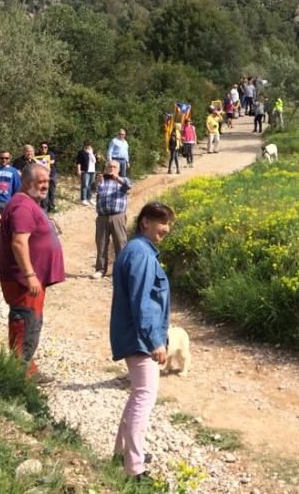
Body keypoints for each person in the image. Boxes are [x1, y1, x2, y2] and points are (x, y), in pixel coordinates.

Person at [110, 201, 176, 482]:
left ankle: (122, 453)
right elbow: (142, 302)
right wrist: (155, 341)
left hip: (136, 335)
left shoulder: (138, 250)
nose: (167, 229)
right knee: (145, 396)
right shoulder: (141, 254)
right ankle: (135, 469)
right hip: (140, 339)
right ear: (145, 222)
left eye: (169, 223)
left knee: (138, 393)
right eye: (162, 222)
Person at [0, 163, 65, 383]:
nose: (45, 185)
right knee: (26, 322)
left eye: (47, 181)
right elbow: (18, 242)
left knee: (28, 321)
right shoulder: (23, 206)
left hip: (28, 279)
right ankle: (19, 375)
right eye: (41, 181)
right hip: (23, 281)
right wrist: (29, 274)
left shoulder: (27, 203)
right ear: (27, 182)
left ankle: (25, 368)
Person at [93, 160, 132, 279]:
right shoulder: (101, 180)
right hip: (102, 217)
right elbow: (91, 190)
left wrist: (117, 178)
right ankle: (100, 269)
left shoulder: (123, 180)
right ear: (105, 168)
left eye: (114, 167)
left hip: (118, 216)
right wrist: (96, 182)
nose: (111, 168)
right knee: (101, 243)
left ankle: (122, 270)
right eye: (109, 166)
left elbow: (128, 186)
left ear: (119, 169)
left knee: (120, 243)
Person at [36, 142, 58, 212]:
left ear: (47, 148)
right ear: (39, 148)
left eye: (45, 147)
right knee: (44, 192)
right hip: (42, 177)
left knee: (52, 192)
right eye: (42, 147)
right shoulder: (36, 155)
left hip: (52, 175)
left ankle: (51, 207)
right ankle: (44, 208)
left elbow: (52, 161)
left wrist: (42, 162)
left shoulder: (51, 154)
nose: (43, 149)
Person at [75, 141, 98, 206]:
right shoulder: (82, 152)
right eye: (87, 145)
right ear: (85, 145)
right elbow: (78, 162)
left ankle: (89, 198)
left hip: (92, 170)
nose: (89, 146)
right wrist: (78, 170)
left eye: (90, 145)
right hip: (85, 170)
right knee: (85, 185)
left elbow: (95, 161)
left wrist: (93, 154)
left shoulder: (93, 152)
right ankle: (83, 199)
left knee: (91, 185)